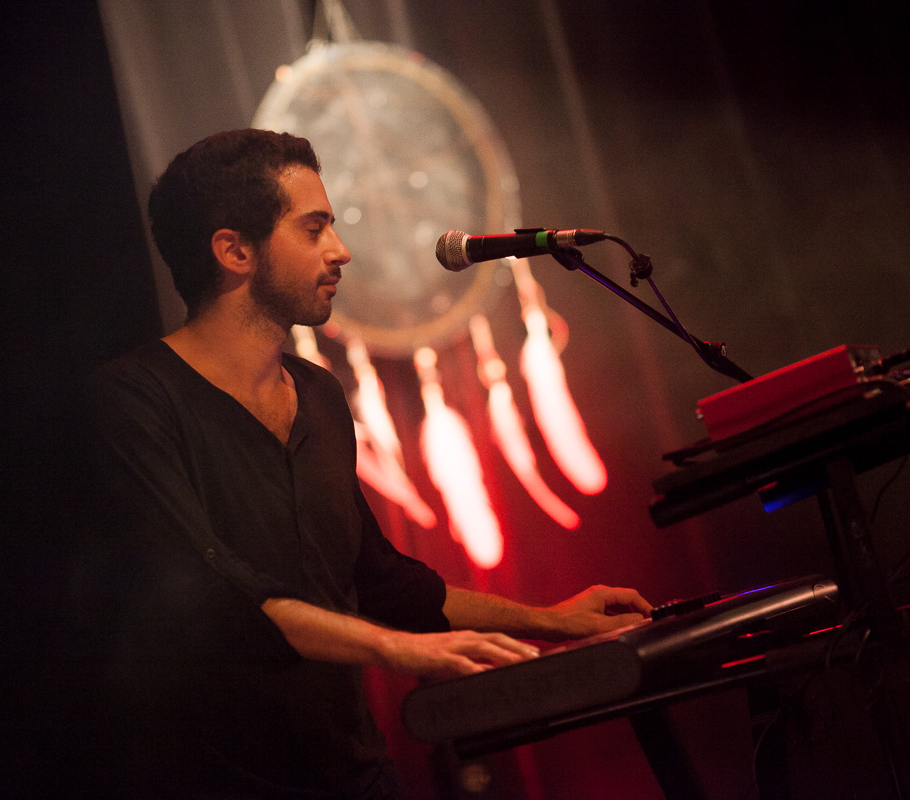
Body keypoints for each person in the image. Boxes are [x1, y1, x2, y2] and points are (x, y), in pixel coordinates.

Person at [82, 128, 652, 799]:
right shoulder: (133, 400)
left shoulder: (319, 394)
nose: (341, 250)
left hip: (356, 774)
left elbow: (379, 579)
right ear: (234, 251)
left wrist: (555, 621)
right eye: (314, 228)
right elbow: (216, 596)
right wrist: (394, 648)